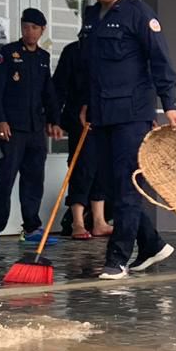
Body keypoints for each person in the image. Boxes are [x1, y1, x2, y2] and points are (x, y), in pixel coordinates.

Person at [78, 0, 176, 280]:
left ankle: (117, 258)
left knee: (126, 187)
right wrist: (86, 103)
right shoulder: (91, 17)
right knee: (111, 186)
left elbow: (161, 61)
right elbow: (90, 67)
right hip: (101, 115)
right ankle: (152, 244)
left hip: (132, 116)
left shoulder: (139, 14)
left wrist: (170, 105)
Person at [0, 9, 63, 246]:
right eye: (26, 27)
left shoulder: (43, 57)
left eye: (34, 28)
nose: (30, 32)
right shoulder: (8, 53)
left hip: (35, 129)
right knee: (4, 178)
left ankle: (31, 229)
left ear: (42, 30)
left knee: (34, 179)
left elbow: (48, 93)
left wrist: (54, 120)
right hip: (11, 129)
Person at [53, 37, 111, 239]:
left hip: (104, 117)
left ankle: (99, 221)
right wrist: (54, 119)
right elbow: (59, 86)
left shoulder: (108, 47)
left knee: (102, 168)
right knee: (81, 167)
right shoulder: (73, 51)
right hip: (79, 118)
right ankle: (77, 221)